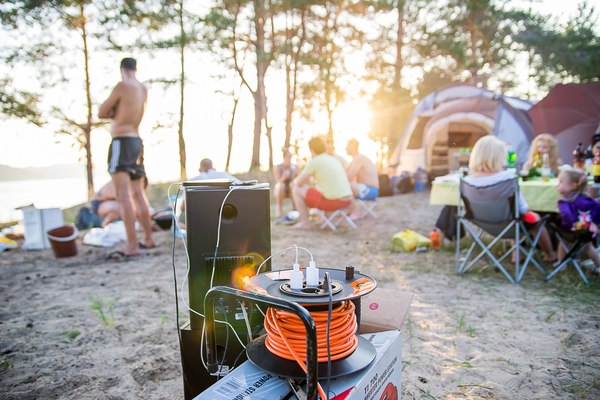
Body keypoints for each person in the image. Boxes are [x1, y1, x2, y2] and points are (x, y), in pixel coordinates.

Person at [465, 136, 557, 263]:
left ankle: (517, 253)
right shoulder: (507, 178)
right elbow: (523, 209)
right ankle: (550, 255)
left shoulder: (467, 181)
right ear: (498, 157)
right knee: (532, 218)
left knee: (510, 213)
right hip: (509, 223)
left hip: (482, 223)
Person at [98, 57, 156, 257]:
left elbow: (102, 112)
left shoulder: (122, 86)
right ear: (135, 69)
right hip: (136, 142)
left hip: (121, 141)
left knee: (124, 196)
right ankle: (148, 239)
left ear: (122, 69)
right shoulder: (143, 89)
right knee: (139, 194)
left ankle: (132, 245)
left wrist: (114, 111)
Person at [291, 137, 353, 229]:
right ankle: (323, 218)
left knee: (296, 189)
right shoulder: (333, 159)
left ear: (311, 150)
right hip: (348, 200)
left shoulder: (315, 161)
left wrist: (295, 181)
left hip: (334, 202)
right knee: (322, 190)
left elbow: (299, 182)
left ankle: (305, 222)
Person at [556, 168, 600, 271]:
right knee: (588, 246)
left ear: (573, 186)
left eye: (561, 182)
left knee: (563, 241)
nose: (558, 185)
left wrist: (573, 224)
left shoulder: (564, 201)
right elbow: (597, 209)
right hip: (586, 230)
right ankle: (598, 265)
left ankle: (561, 262)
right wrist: (594, 223)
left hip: (571, 230)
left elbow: (567, 215)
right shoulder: (586, 199)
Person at [345, 138, 379, 220]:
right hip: (367, 189)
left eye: (347, 146)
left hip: (371, 190)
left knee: (346, 185)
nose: (345, 148)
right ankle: (349, 210)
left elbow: (349, 177)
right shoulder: (356, 159)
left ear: (353, 146)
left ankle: (355, 212)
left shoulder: (359, 158)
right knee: (345, 185)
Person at [273, 150, 298, 218]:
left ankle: (295, 209)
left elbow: (296, 180)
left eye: (290, 156)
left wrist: (294, 174)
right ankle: (279, 209)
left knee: (292, 185)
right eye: (288, 156)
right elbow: (278, 181)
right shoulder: (278, 167)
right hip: (280, 189)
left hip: (290, 188)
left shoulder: (294, 167)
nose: (289, 158)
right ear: (284, 157)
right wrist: (283, 177)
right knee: (281, 185)